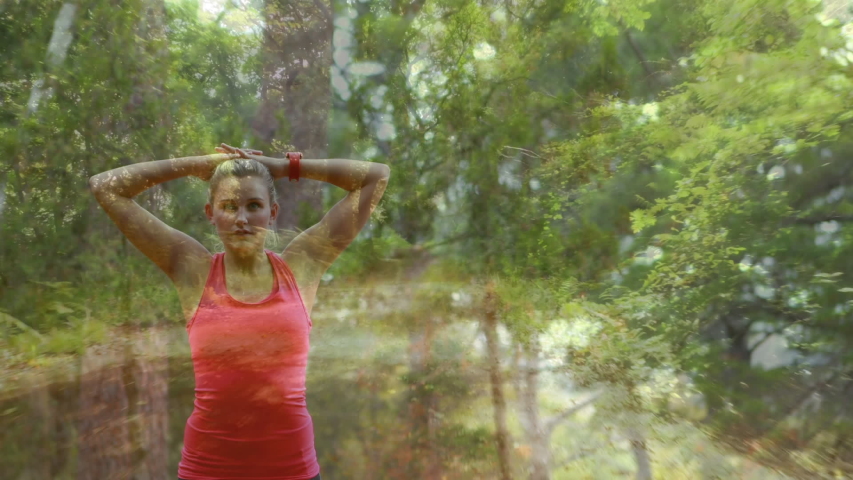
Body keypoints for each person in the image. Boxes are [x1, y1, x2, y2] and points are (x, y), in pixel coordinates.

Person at [88, 143, 391, 480]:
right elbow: (106, 186)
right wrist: (198, 165)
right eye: (229, 206)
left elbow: (376, 177)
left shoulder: (302, 265)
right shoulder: (194, 270)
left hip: (293, 471)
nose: (242, 219)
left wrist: (282, 166)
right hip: (207, 471)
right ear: (210, 212)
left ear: (272, 213)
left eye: (254, 206)